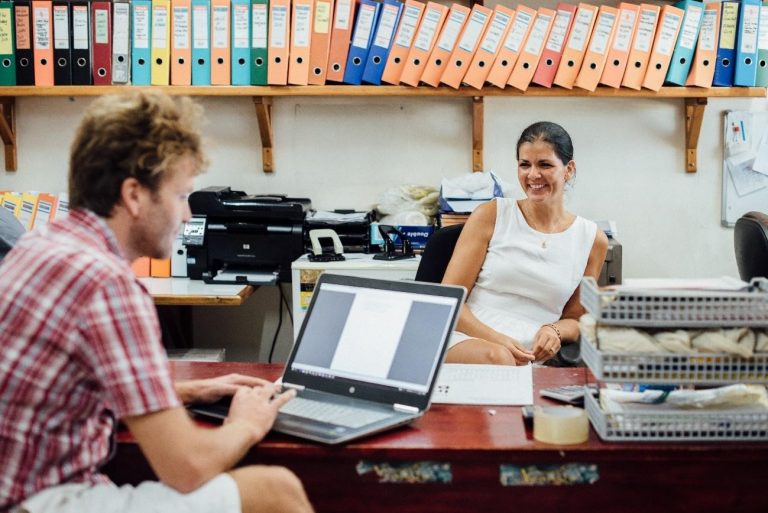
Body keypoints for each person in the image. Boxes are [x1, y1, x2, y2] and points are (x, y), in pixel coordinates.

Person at [0, 92, 313, 513]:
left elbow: (62, 393)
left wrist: (185, 390)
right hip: (37, 502)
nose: (186, 217)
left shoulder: (42, 245)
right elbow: (187, 467)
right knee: (276, 490)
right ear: (134, 195)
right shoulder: (107, 284)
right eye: (181, 196)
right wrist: (247, 424)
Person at [442, 121, 608, 366]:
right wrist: (497, 340)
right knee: (499, 359)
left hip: (531, 353)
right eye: (524, 165)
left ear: (568, 169)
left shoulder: (592, 239)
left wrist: (555, 331)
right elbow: (449, 299)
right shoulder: (492, 214)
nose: (533, 175)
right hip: (468, 336)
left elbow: (575, 320)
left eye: (545, 165)